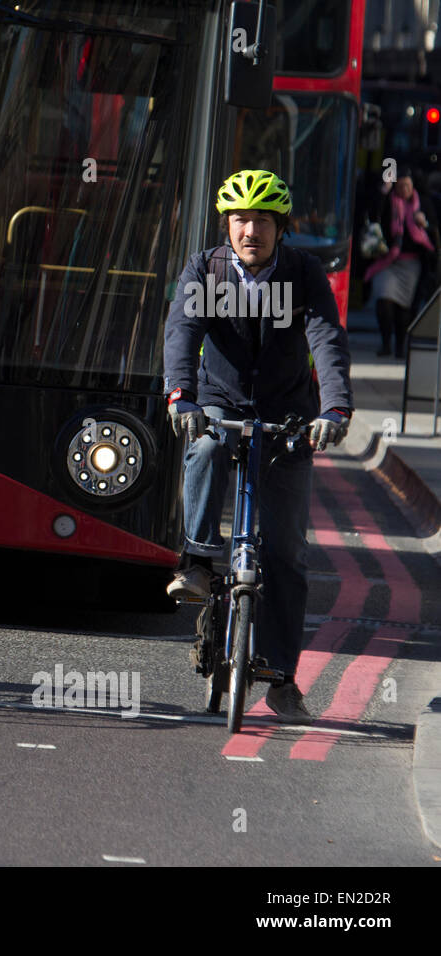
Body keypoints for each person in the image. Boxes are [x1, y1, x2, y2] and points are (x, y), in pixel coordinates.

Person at [163, 169, 354, 724]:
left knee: (288, 552)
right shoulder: (206, 269)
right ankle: (197, 560)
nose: (251, 230)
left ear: (280, 227)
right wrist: (182, 396)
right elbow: (183, 332)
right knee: (202, 447)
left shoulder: (303, 273)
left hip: (287, 415)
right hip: (220, 402)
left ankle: (282, 680)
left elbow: (326, 337)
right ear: (228, 225)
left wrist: (334, 407)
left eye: (263, 220)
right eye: (241, 219)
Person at [364, 172, 439, 357]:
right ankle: (386, 343)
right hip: (387, 260)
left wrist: (424, 224)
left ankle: (399, 345)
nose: (403, 190)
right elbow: (373, 216)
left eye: (407, 186)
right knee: (384, 301)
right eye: (400, 186)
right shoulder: (388, 200)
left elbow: (434, 233)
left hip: (411, 262)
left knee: (404, 308)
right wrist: (384, 192)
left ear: (413, 185)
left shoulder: (423, 203)